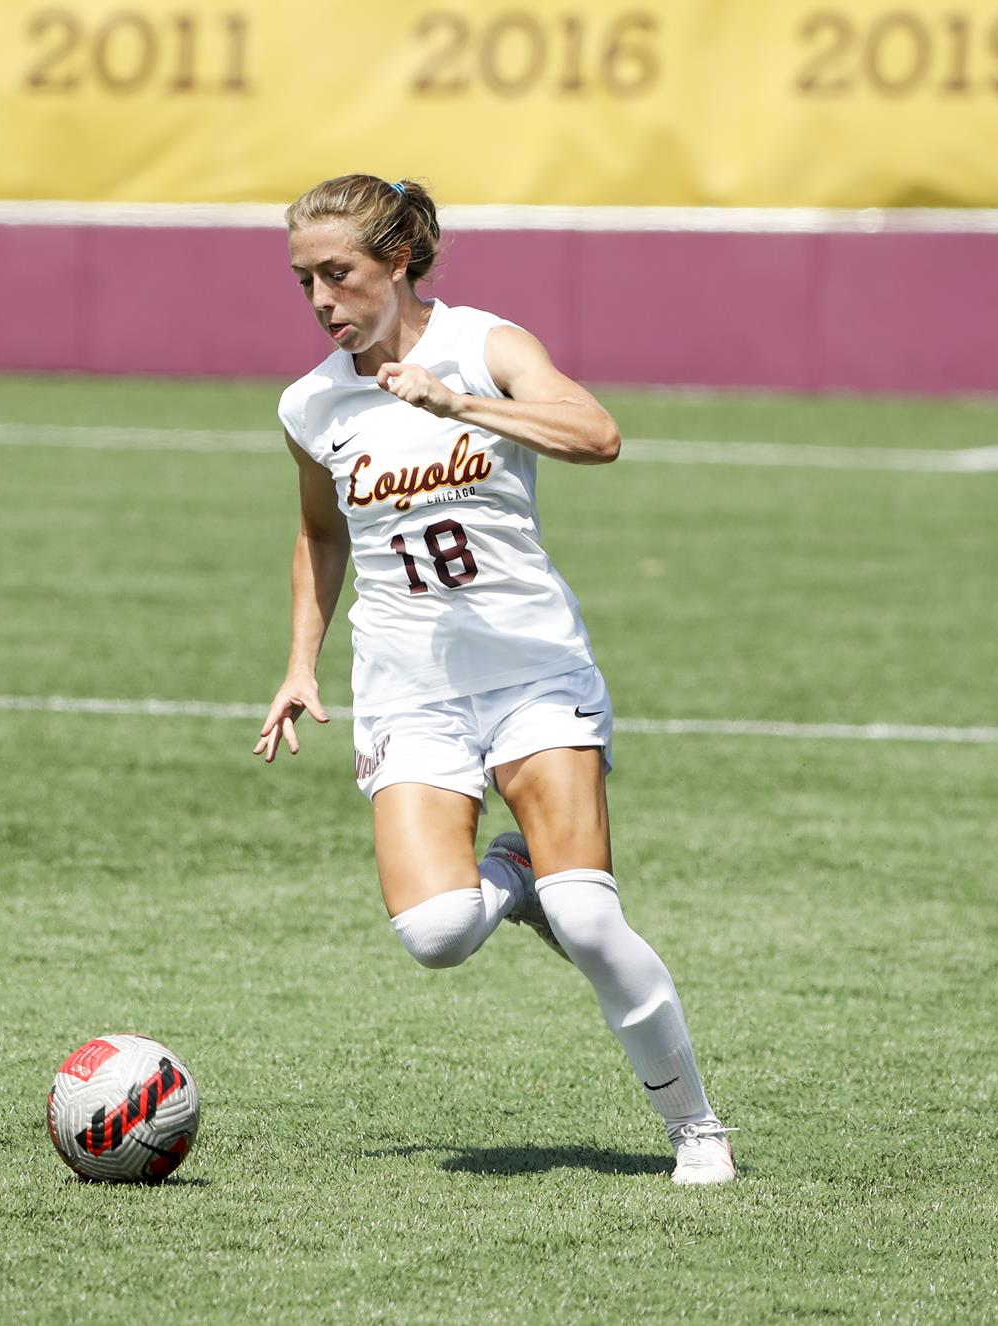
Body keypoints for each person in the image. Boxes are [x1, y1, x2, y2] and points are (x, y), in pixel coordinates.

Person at [254, 174, 735, 1185]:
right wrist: (300, 661)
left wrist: (458, 401)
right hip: (405, 689)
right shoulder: (311, 404)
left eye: (335, 274)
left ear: (395, 261)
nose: (319, 301)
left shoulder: (483, 345)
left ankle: (695, 1129)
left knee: (592, 921)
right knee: (433, 934)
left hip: (530, 670)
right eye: (302, 281)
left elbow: (597, 435)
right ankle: (512, 879)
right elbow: (317, 531)